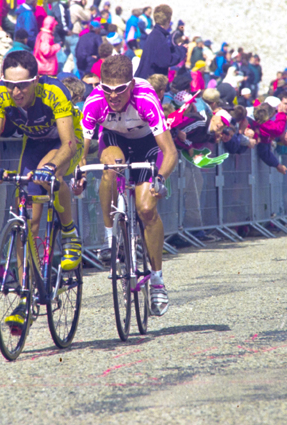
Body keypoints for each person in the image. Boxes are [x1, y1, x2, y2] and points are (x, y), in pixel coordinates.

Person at [80, 54, 177, 316]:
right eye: (107, 89)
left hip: (147, 145)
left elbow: (170, 152)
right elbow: (81, 148)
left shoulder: (146, 98)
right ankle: (110, 237)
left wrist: (161, 178)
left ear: (131, 85)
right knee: (112, 167)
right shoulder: (95, 101)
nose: (112, 96)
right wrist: (78, 173)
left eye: (120, 89)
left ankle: (156, 279)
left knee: (147, 210)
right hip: (115, 142)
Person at [0, 51, 83, 280]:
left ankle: (69, 232)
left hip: (65, 141)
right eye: (10, 84)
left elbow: (69, 143)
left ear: (36, 80)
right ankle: (25, 292)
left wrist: (51, 168)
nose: (15, 92)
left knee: (46, 176)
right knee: (28, 225)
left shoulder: (54, 91)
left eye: (23, 85)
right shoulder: (0, 94)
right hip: (35, 142)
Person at [134, 4, 186, 80]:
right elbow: (166, 61)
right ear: (169, 20)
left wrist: (176, 49)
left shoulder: (156, 34)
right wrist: (182, 50)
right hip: (149, 84)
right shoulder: (158, 36)